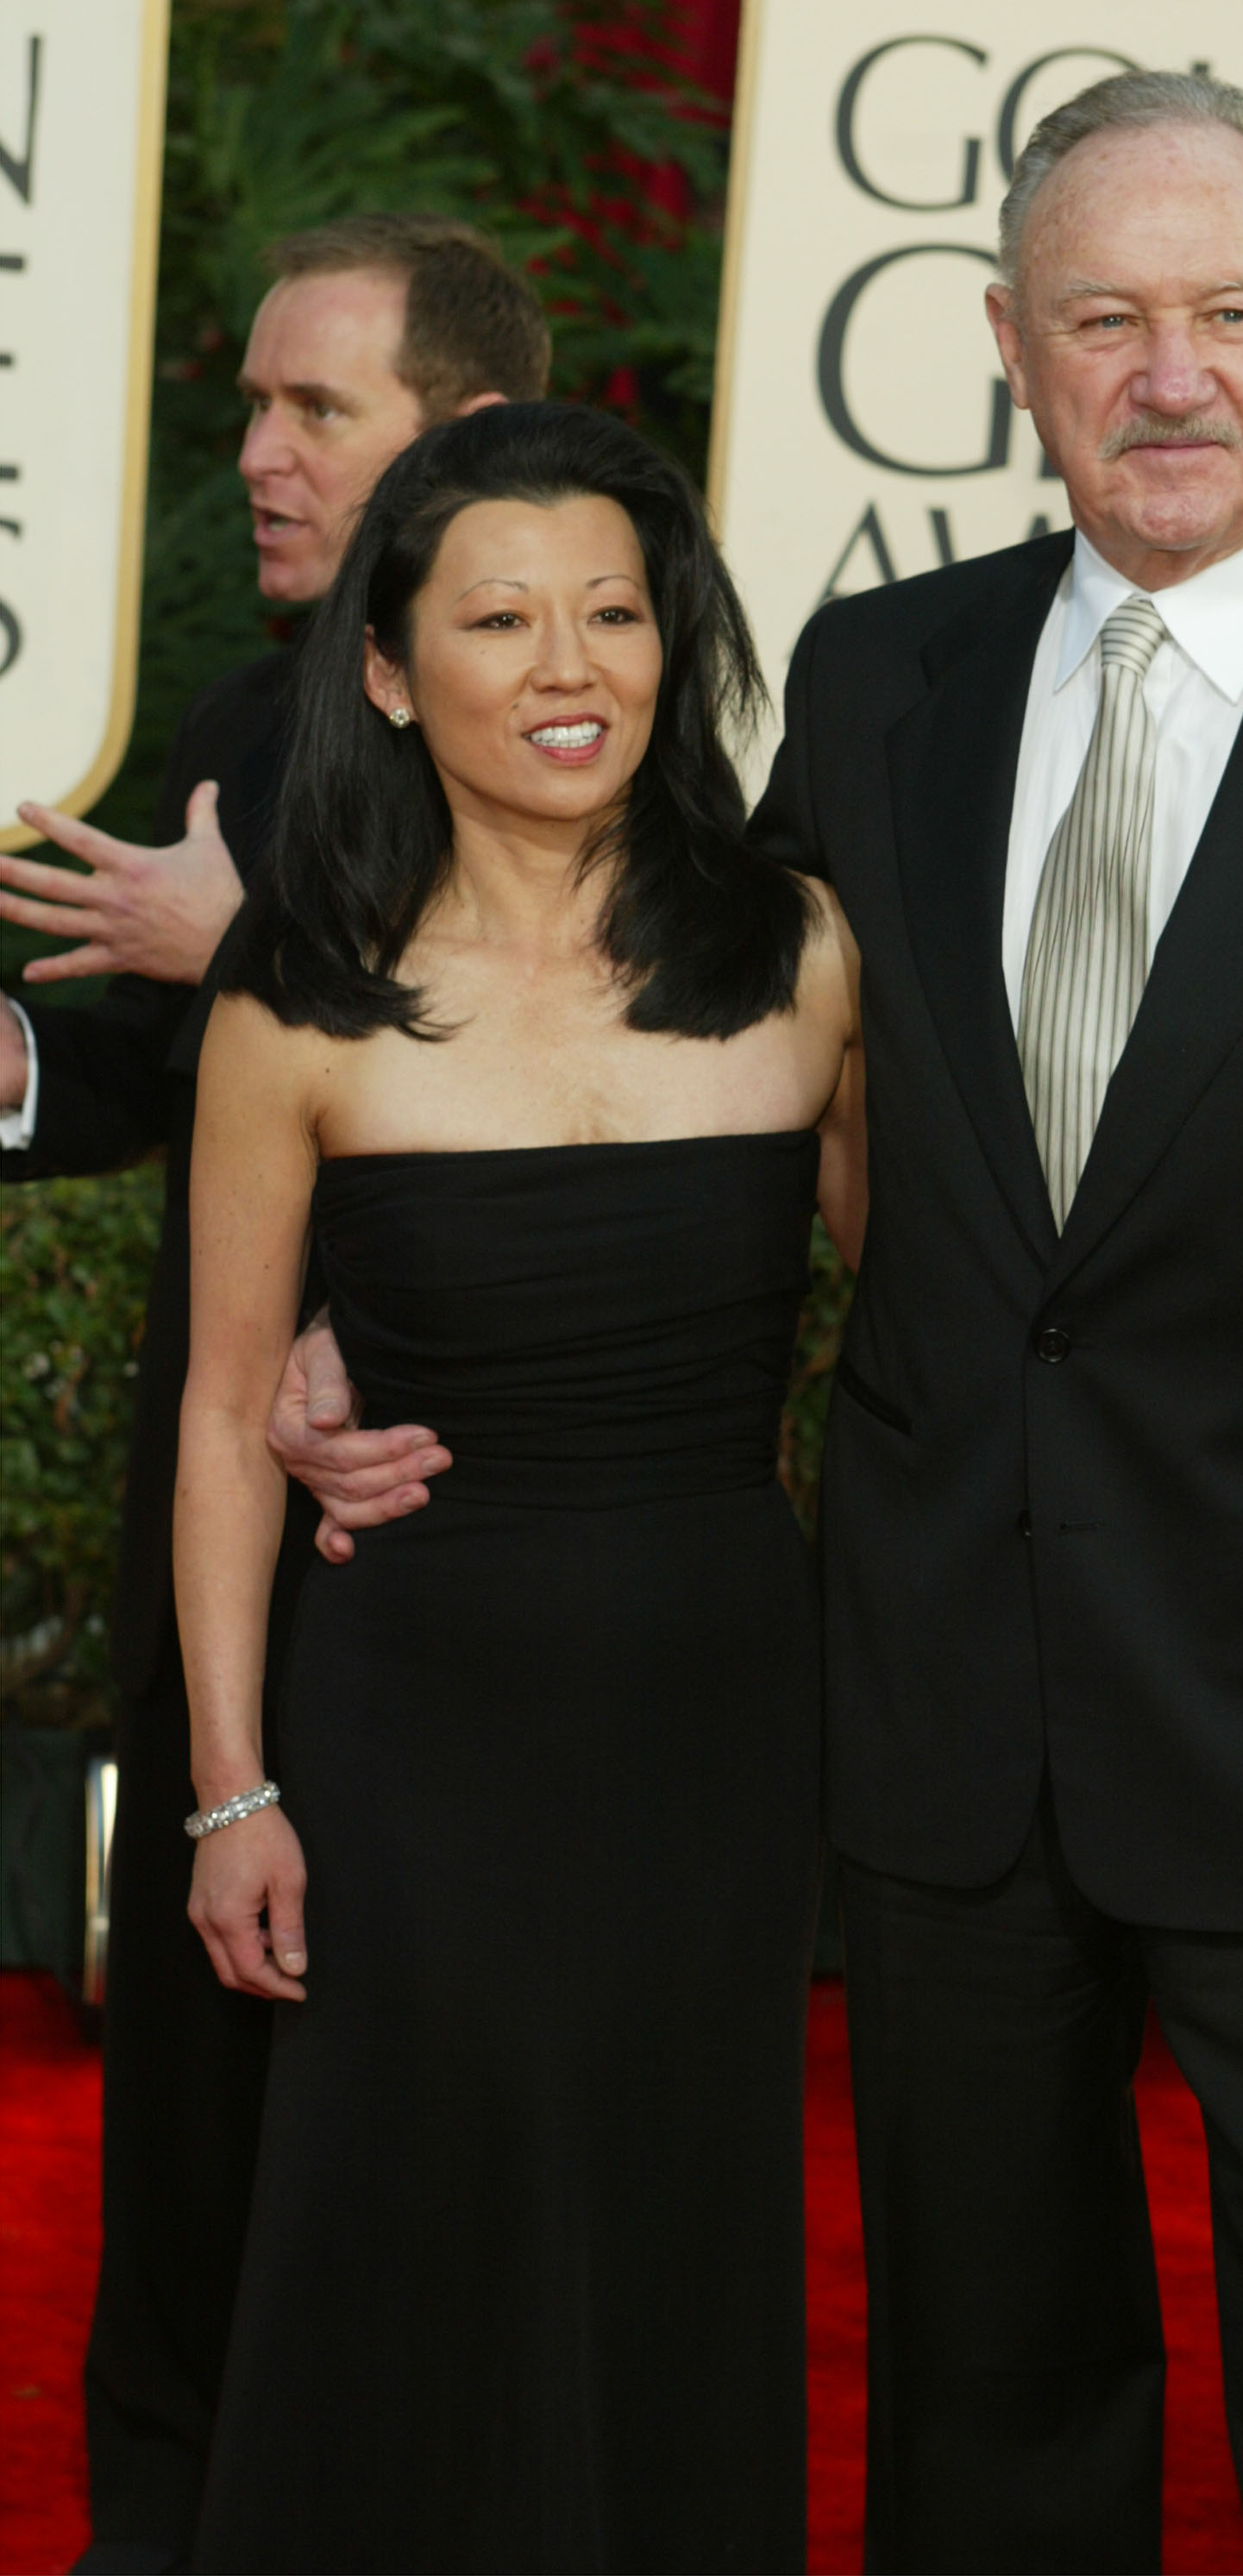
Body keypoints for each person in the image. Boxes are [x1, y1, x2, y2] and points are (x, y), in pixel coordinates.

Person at [281, 75, 1243, 2572]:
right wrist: (341, 1299)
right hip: (945, 1710)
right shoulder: (878, 680)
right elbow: (655, 1021)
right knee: (985, 2397)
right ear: (1010, 354)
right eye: (1107, 321)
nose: (1174, 375)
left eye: (1231, 315)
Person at [178, 399, 862, 2573]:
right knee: (401, 2227)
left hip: (716, 1719)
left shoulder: (799, 958)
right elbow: (219, 1411)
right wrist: (227, 1788)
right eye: (500, 618)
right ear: (389, 670)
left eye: (613, 612)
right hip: (410, 1724)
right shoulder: (298, 1003)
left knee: (684, 2219)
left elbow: (964, 1326)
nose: (569, 665)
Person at [0, 214, 549, 2573]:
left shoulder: (583, 735)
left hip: (474, 1565)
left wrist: (265, 963)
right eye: (249, 406)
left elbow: (610, 1081)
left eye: (313, 408)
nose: (256, 453)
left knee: (422, 2168)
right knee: (194, 2172)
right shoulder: (239, 718)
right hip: (210, 1565)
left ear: (462, 434)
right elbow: (127, 1075)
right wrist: (23, 1056)